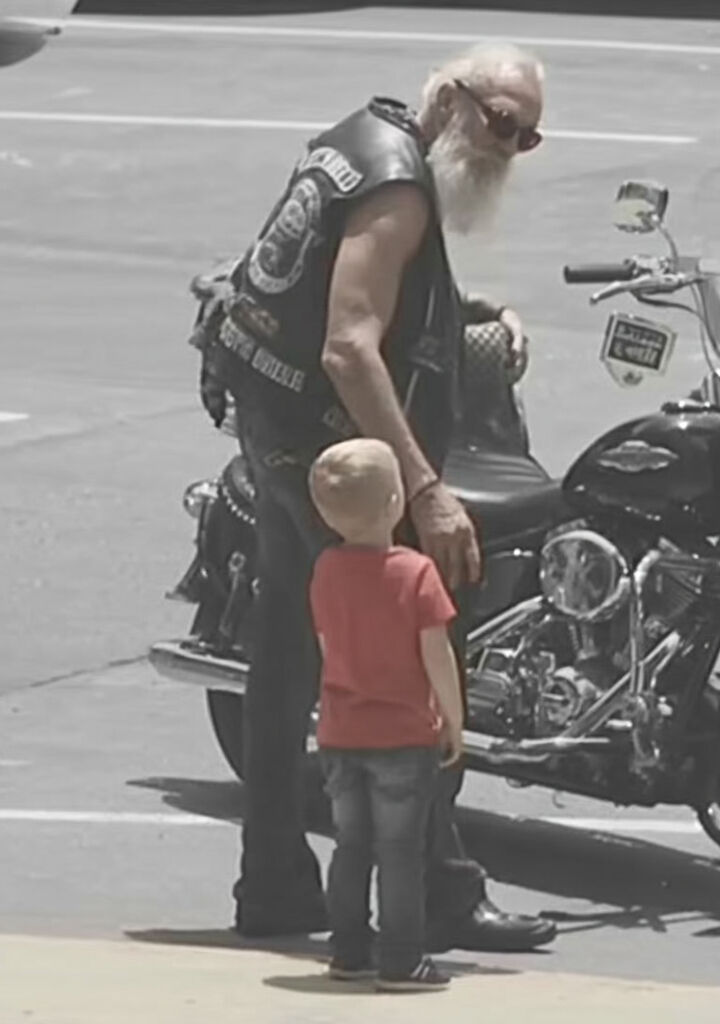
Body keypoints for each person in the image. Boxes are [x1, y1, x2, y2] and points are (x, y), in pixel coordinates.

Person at [198, 41, 556, 950]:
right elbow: (351, 344)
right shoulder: (399, 187)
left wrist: (470, 312)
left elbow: (327, 270)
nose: (505, 145)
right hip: (334, 460)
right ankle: (436, 890)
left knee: (282, 667)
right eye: (497, 120)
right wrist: (427, 491)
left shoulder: (357, 138)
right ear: (449, 95)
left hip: (274, 431)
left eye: (525, 136)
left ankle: (271, 883)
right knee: (404, 661)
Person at [309, 437, 464, 991]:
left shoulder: (326, 569)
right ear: (396, 501)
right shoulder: (416, 573)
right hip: (401, 734)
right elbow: (436, 655)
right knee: (400, 852)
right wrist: (453, 718)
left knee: (351, 846)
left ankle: (348, 950)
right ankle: (403, 958)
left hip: (341, 729)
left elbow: (330, 645)